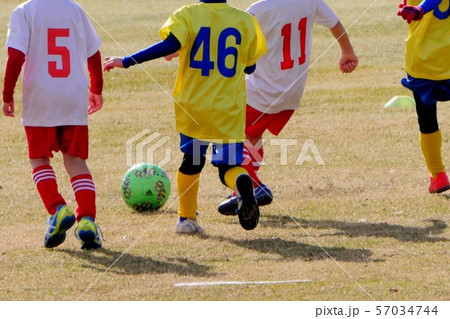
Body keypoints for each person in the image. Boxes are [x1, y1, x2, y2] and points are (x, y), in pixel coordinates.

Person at [104, 0, 267, 233]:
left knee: (192, 161)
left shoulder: (187, 15)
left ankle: (186, 219)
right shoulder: (245, 21)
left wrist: (128, 61)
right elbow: (249, 67)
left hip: (194, 107)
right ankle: (240, 183)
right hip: (228, 108)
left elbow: (169, 44)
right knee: (229, 166)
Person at [218, 0, 358, 215]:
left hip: (263, 90)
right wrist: (347, 52)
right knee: (252, 135)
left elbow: (230, 38)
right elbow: (335, 23)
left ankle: (253, 187)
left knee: (229, 135)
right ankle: (244, 188)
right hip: (291, 92)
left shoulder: (260, 8)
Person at [2, 0, 104, 249]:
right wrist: (96, 88)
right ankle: (87, 219)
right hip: (73, 96)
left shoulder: (24, 11)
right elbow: (94, 53)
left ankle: (57, 209)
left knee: (39, 159)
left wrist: (7, 95)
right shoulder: (75, 9)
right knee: (76, 160)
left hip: (41, 98)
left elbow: (15, 56)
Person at [397, 0, 450, 193]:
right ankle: (437, 176)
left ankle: (438, 175)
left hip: (425, 59)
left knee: (427, 118)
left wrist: (420, 9)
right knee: (426, 117)